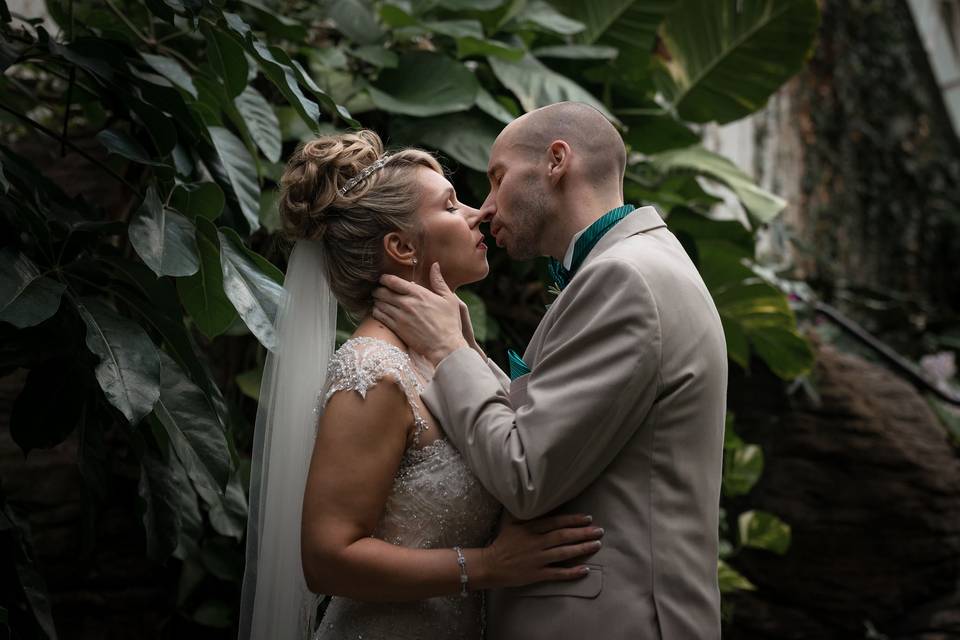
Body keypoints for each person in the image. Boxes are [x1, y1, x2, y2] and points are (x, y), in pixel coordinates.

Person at [373, 102, 728, 639]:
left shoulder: (623, 280)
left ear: (556, 161)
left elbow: (526, 474)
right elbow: (549, 425)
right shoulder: (639, 264)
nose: (486, 208)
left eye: (497, 179)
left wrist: (449, 353)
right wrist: (466, 349)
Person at [237, 130, 605, 640]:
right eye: (451, 205)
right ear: (402, 246)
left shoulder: (444, 355)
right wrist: (489, 567)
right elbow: (326, 559)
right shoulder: (373, 373)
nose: (480, 213)